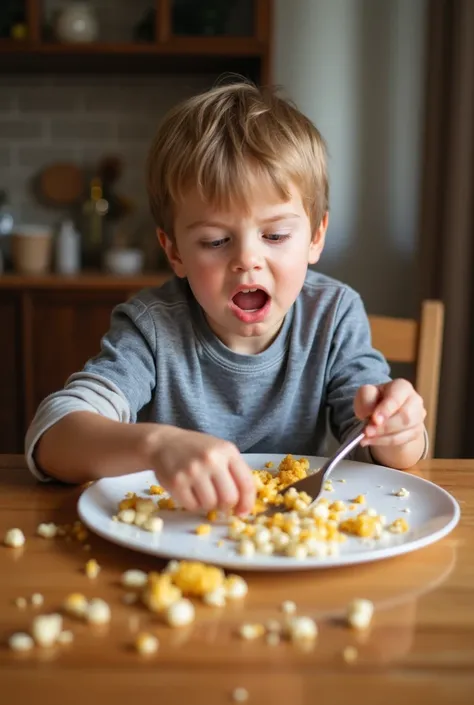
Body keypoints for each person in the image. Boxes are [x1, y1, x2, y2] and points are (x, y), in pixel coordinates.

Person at [25, 81, 427, 517]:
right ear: (174, 250)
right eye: (216, 241)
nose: (247, 260)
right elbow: (53, 437)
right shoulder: (151, 327)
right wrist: (157, 445)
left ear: (315, 237)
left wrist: (400, 431)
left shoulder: (334, 315)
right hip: (175, 533)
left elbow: (383, 453)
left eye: (274, 235)